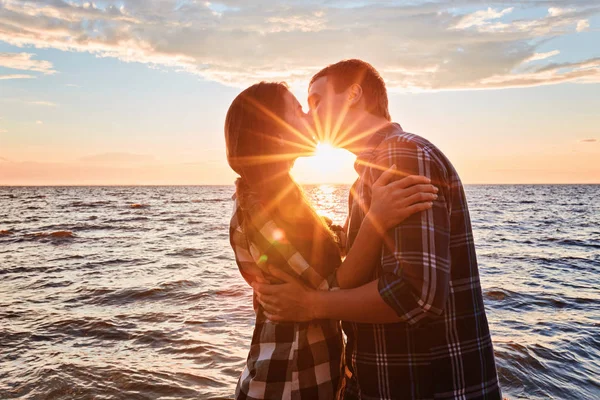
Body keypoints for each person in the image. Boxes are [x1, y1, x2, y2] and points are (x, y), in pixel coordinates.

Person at [253, 60, 502, 399]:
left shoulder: (403, 153)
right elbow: (349, 278)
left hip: (430, 388)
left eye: (316, 101)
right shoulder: (364, 181)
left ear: (354, 93)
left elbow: (416, 295)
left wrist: (313, 305)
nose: (309, 116)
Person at [225, 81, 438, 399]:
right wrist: (377, 219)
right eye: (299, 110)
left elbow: (335, 243)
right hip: (284, 382)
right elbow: (333, 290)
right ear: (277, 132)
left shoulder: (285, 199)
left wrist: (368, 208)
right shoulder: (259, 212)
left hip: (311, 376)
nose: (310, 117)